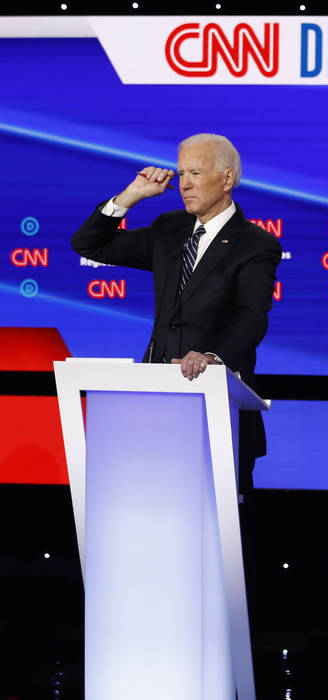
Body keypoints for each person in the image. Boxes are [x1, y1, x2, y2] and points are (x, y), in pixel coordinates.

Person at [70, 133, 281, 663]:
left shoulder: (257, 244)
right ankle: (149, 645)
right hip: (154, 411)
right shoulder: (168, 230)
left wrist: (215, 357)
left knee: (216, 549)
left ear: (226, 179)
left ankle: (220, 654)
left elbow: (252, 317)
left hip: (217, 415)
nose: (183, 181)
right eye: (179, 172)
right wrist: (131, 196)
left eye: (194, 173)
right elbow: (89, 244)